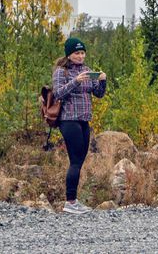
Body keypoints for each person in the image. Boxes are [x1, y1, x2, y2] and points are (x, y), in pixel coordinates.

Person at [51, 36, 107, 214]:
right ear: (69, 55)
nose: (81, 56)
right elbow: (58, 93)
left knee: (80, 161)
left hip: (84, 120)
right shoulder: (62, 72)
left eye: (83, 53)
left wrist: (102, 80)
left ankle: (74, 201)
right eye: (77, 53)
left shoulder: (87, 70)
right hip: (68, 120)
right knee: (75, 161)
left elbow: (98, 94)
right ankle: (70, 202)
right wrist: (76, 81)